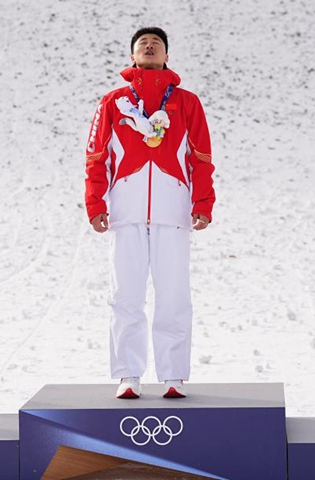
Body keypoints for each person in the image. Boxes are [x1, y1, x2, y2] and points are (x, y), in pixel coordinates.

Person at [84, 27, 215, 399]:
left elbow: (201, 159)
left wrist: (202, 203)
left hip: (173, 209)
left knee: (174, 294)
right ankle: (128, 374)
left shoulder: (187, 103)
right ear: (132, 56)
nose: (149, 45)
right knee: (125, 294)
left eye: (156, 43)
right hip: (125, 210)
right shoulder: (113, 102)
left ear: (167, 56)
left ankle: (173, 374)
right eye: (142, 43)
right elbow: (96, 159)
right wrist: (96, 204)